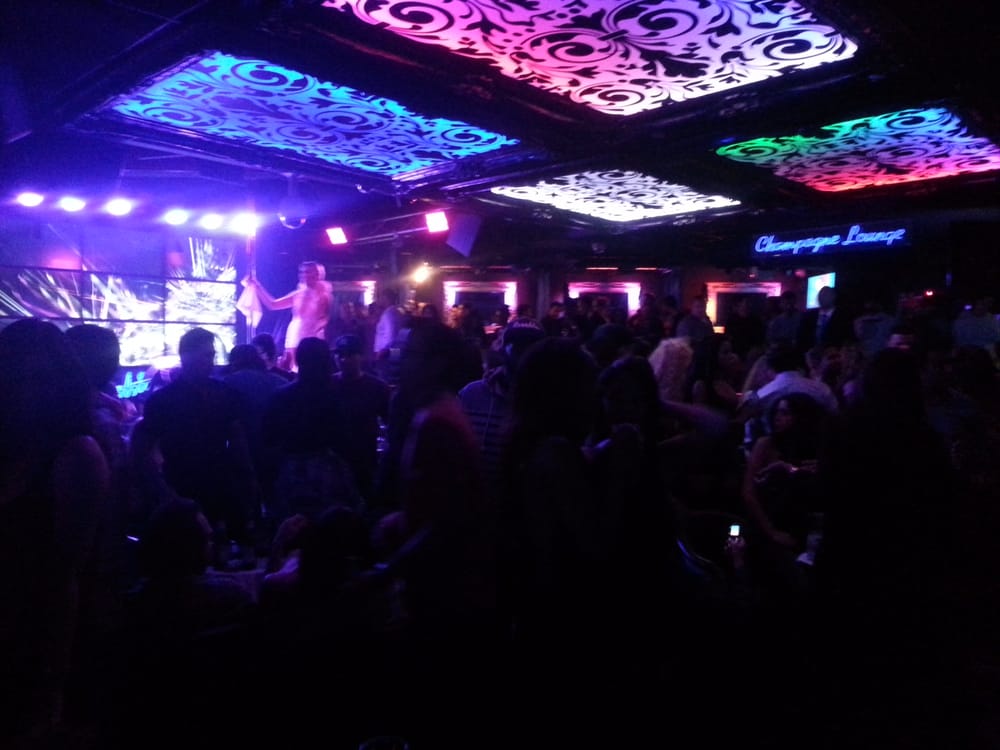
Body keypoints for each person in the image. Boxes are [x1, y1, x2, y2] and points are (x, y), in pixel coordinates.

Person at [248, 261, 333, 370]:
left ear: (318, 274)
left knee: (311, 368)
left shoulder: (324, 295)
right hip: (294, 335)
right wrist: (257, 286)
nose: (305, 275)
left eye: (308, 272)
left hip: (313, 338)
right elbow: (273, 305)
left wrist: (316, 333)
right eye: (302, 272)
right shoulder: (298, 294)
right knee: (292, 368)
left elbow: (325, 318)